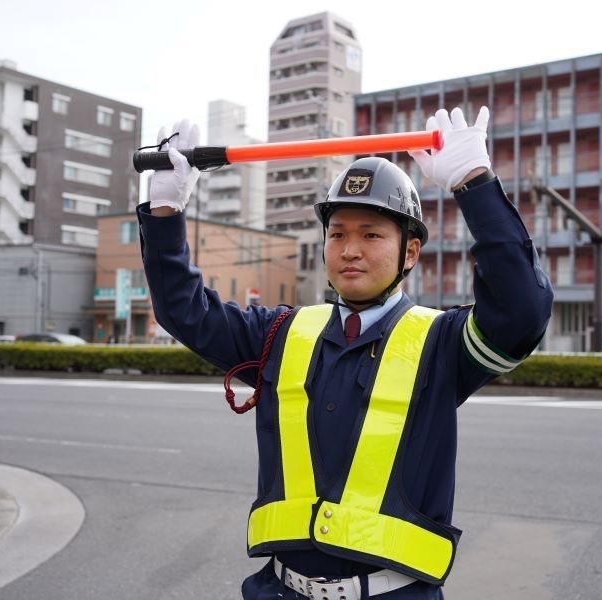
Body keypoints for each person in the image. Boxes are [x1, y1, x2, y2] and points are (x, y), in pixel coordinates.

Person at [138, 106, 553, 599]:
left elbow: (521, 311)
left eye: (371, 234)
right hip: (279, 590)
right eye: (338, 234)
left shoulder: (441, 343)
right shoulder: (281, 333)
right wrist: (165, 213)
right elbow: (183, 310)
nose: (349, 250)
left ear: (411, 253)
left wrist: (475, 184)